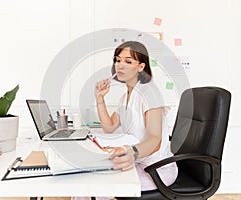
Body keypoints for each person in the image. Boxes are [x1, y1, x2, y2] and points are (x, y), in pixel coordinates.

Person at [72, 41, 178, 200]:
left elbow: (155, 140)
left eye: (128, 61)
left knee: (97, 186)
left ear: (141, 67)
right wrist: (99, 98)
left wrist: (131, 153)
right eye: (118, 60)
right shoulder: (125, 97)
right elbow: (109, 127)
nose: (120, 66)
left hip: (157, 169)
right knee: (88, 180)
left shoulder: (150, 93)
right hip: (137, 164)